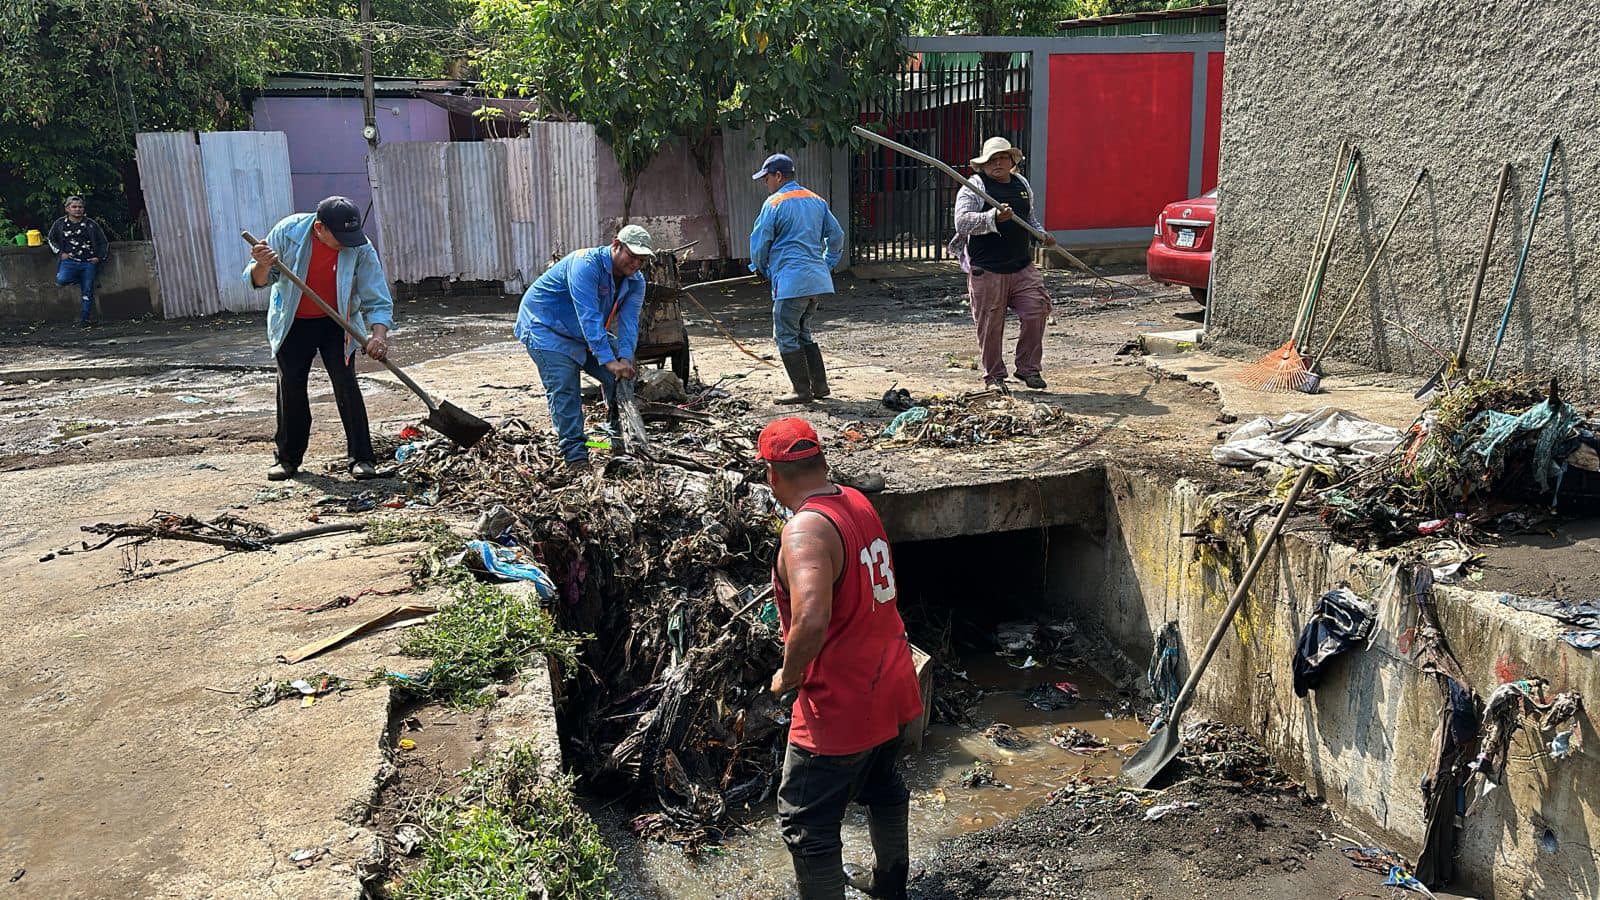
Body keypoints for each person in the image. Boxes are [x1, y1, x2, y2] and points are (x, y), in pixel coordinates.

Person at [763, 416, 923, 900]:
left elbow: (811, 620)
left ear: (772, 474)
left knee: (806, 822)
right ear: (821, 460)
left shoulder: (804, 530)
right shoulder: (855, 501)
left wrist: (787, 677)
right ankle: (891, 883)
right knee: (882, 784)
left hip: (840, 702)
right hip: (889, 679)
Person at [244, 196, 394, 482]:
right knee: (291, 387)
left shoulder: (358, 245)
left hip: (338, 322)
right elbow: (260, 280)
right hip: (293, 320)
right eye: (339, 237)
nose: (346, 243)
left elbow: (377, 295)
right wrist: (262, 264)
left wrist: (378, 336)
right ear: (319, 228)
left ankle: (362, 458)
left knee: (346, 383)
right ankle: (288, 459)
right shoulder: (287, 232)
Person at [515, 225, 653, 470]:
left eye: (641, 260)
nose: (635, 264)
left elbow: (630, 323)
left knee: (622, 378)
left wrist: (624, 359)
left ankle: (619, 441)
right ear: (616, 245)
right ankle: (576, 457)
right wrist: (607, 360)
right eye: (631, 256)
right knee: (566, 387)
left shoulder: (636, 281)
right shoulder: (585, 264)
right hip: (545, 327)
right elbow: (588, 315)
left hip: (583, 333)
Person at [947, 136, 1059, 395]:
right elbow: (962, 222)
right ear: (983, 165)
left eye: (1003, 158)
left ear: (1012, 161)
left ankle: (1028, 368)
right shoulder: (973, 187)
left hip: (1021, 266)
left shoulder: (1021, 184)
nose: (998, 163)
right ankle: (994, 376)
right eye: (992, 159)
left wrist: (1041, 235)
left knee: (1036, 311)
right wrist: (992, 217)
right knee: (990, 324)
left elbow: (1028, 216)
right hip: (988, 269)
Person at [749, 153, 846, 404]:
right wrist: (826, 264)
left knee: (785, 333)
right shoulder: (817, 200)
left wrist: (762, 269)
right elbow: (837, 236)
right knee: (803, 331)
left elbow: (759, 244)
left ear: (778, 176)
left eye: (766, 178)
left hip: (791, 283)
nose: (765, 183)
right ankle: (819, 386)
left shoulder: (774, 203)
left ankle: (801, 391)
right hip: (816, 281)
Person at [47, 196, 110, 327]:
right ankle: (79, 278)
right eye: (74, 207)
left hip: (88, 262)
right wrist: (60, 253)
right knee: (61, 279)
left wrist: (98, 257)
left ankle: (84, 319)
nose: (77, 209)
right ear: (67, 209)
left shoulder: (91, 224)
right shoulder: (60, 224)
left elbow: (103, 242)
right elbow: (50, 239)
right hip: (69, 260)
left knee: (87, 291)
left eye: (80, 207)